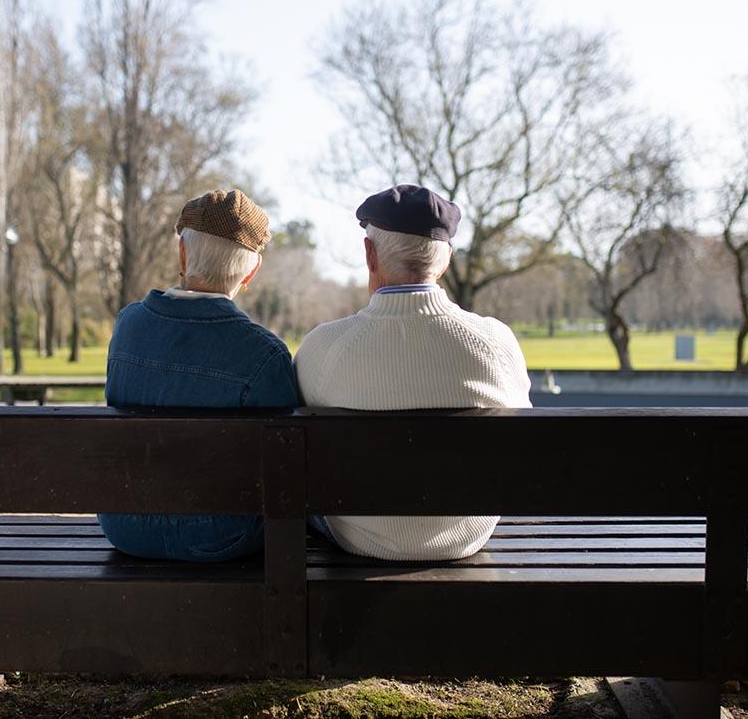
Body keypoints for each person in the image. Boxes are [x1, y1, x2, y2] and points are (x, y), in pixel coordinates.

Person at [294, 184, 532, 561]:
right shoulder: (495, 342)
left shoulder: (323, 347)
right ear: (446, 259)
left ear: (370, 254)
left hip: (360, 537)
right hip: (465, 535)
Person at [98, 189, 298, 562]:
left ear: (183, 253)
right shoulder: (265, 354)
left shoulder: (127, 326)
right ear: (251, 272)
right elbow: (283, 470)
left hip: (124, 525)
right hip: (219, 537)